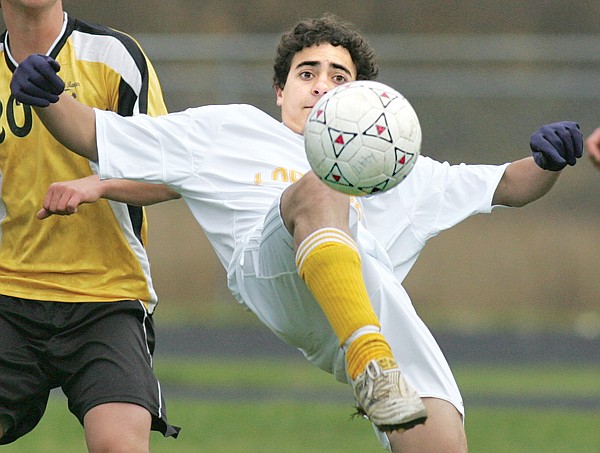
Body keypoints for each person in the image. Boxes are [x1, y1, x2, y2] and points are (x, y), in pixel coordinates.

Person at [10, 14, 583, 453]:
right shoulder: (230, 130)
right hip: (272, 266)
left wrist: (550, 161)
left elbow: (507, 184)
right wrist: (49, 97)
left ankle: (375, 364)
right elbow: (93, 133)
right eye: (306, 74)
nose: (320, 85)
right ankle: (370, 361)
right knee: (321, 185)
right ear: (280, 91)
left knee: (441, 442)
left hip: (367, 303)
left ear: (363, 97)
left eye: (340, 77)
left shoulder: (395, 167)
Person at [0, 1, 181, 451]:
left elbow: (170, 174)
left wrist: (96, 185)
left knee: (118, 446)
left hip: (106, 299)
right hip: (7, 296)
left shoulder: (115, 55)